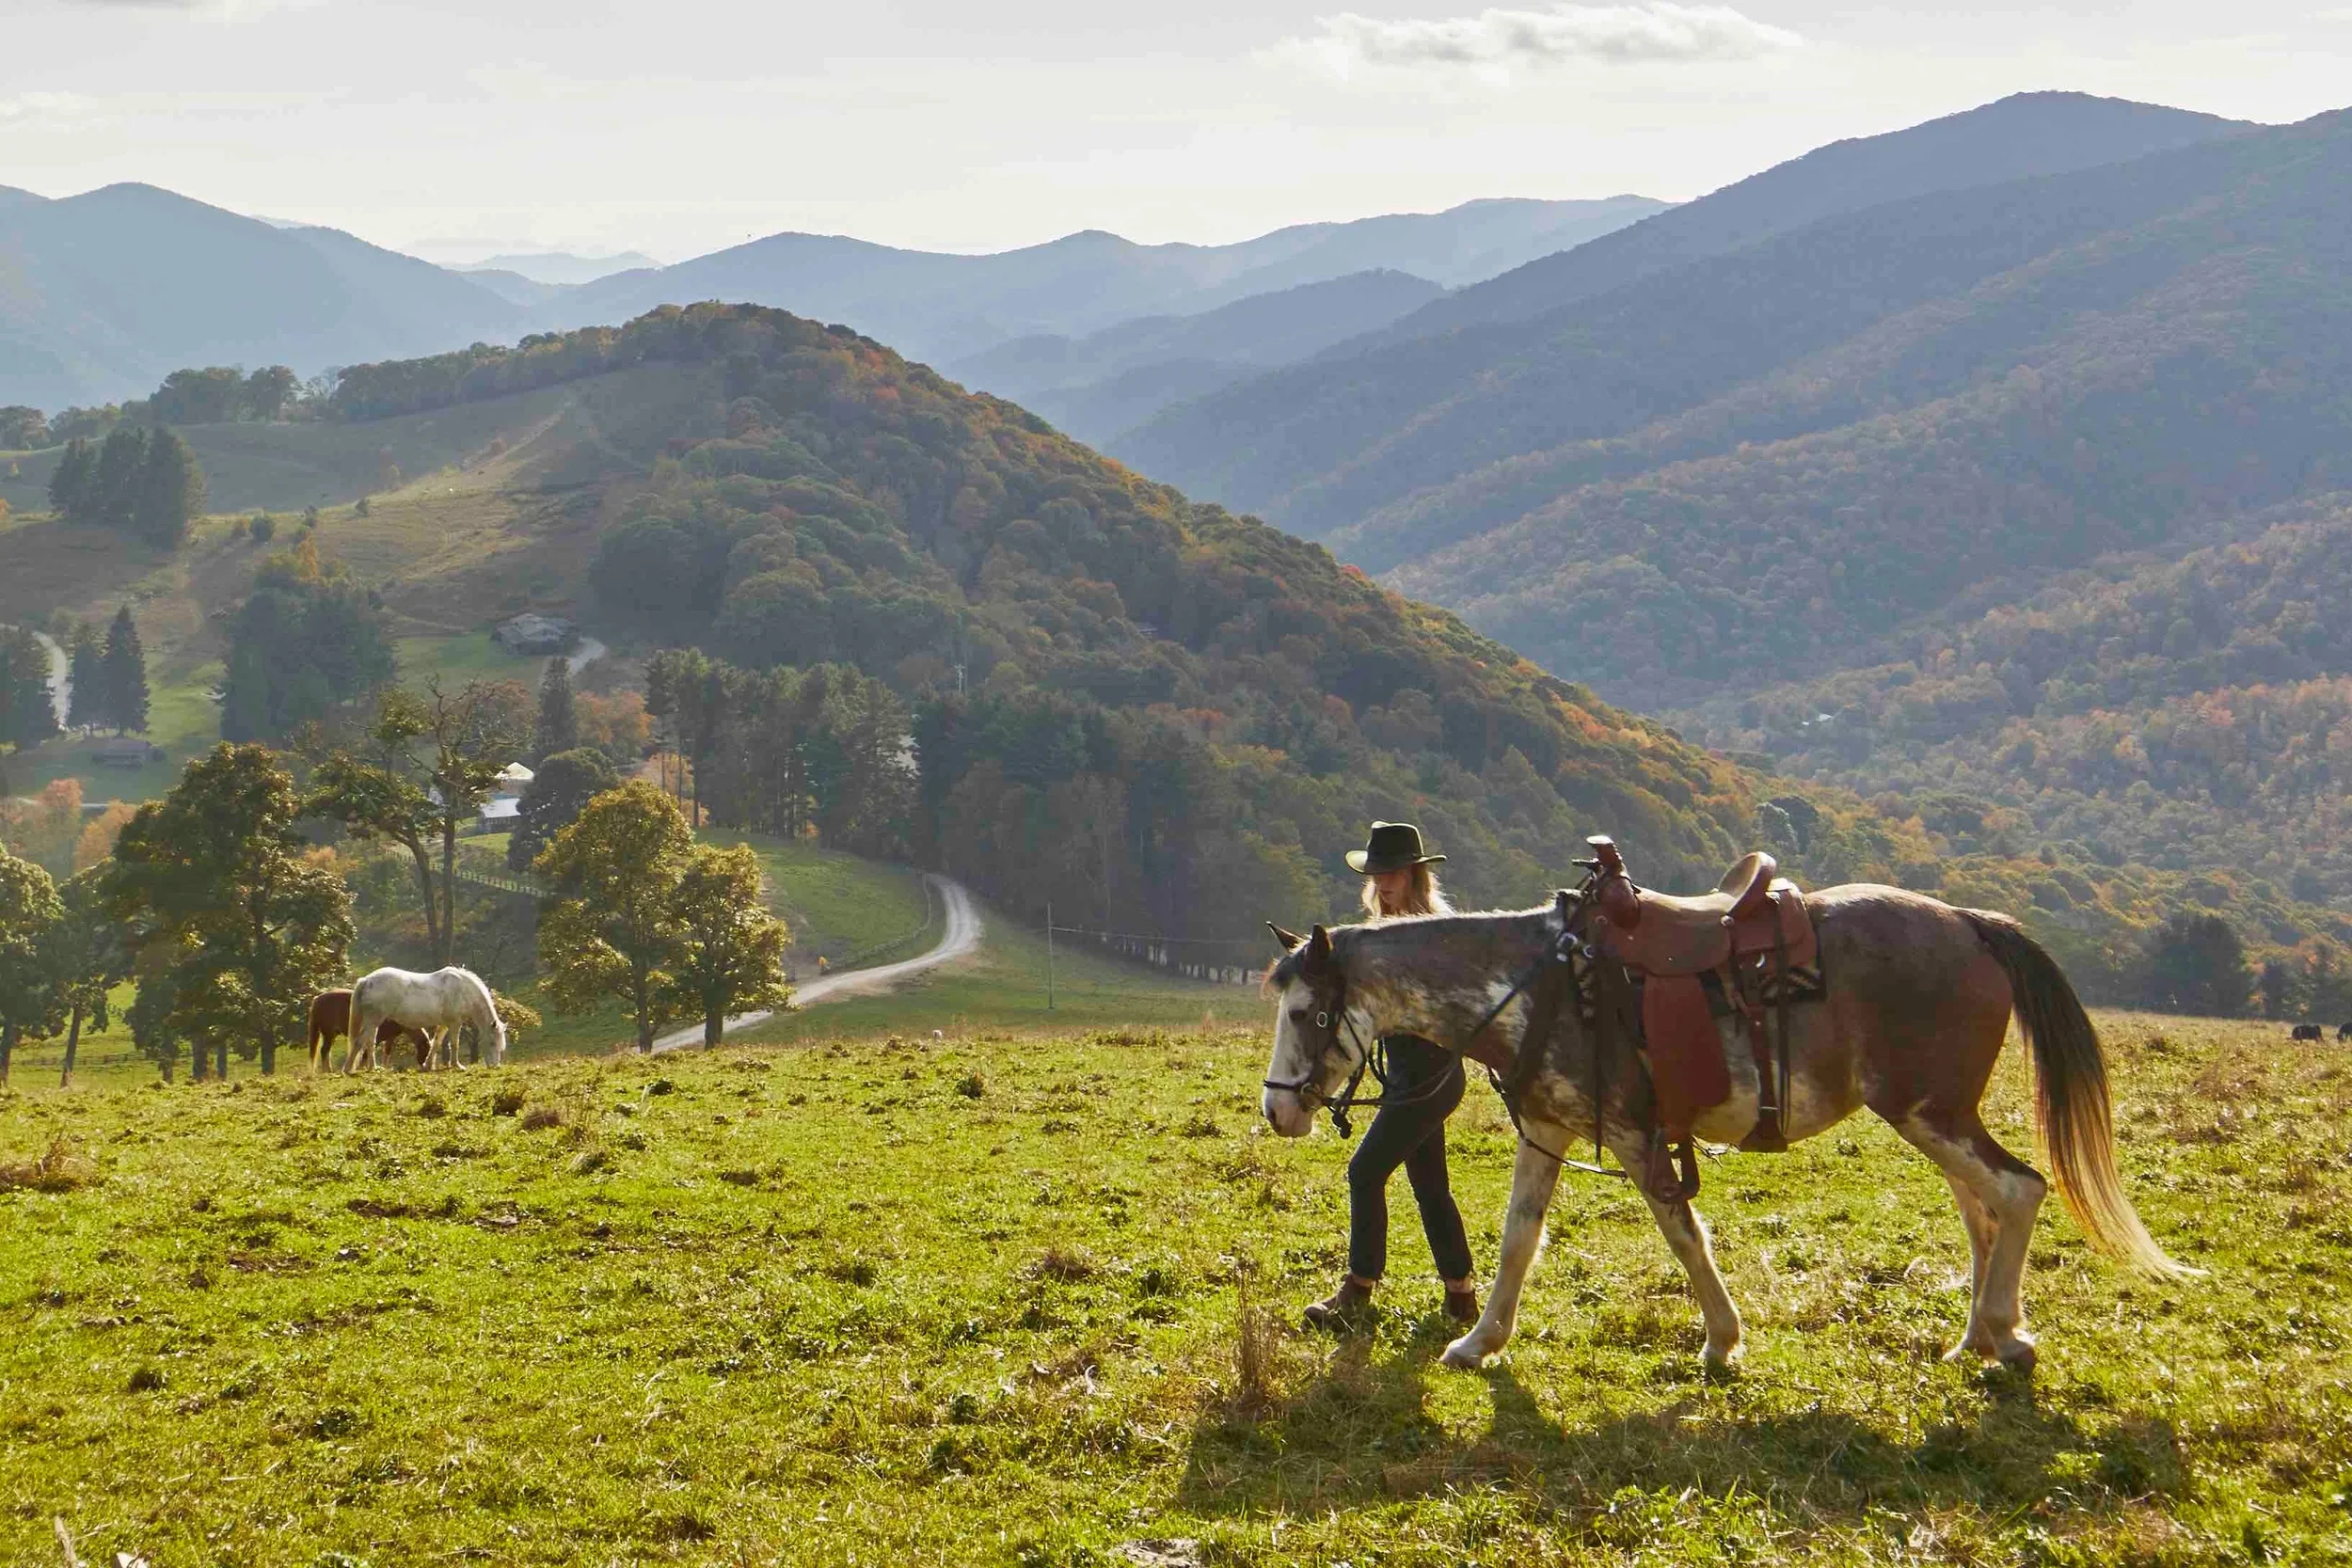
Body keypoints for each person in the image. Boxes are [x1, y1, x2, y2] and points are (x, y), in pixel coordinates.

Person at [1302, 821, 1480, 1331]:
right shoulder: (1378, 931)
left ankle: (1358, 1291)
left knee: (1364, 1171)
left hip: (1433, 1078)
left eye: (1394, 873)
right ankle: (1461, 1294)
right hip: (1405, 1079)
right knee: (1430, 1187)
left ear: (1414, 875)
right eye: (1378, 873)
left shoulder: (1435, 932)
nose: (1383, 882)